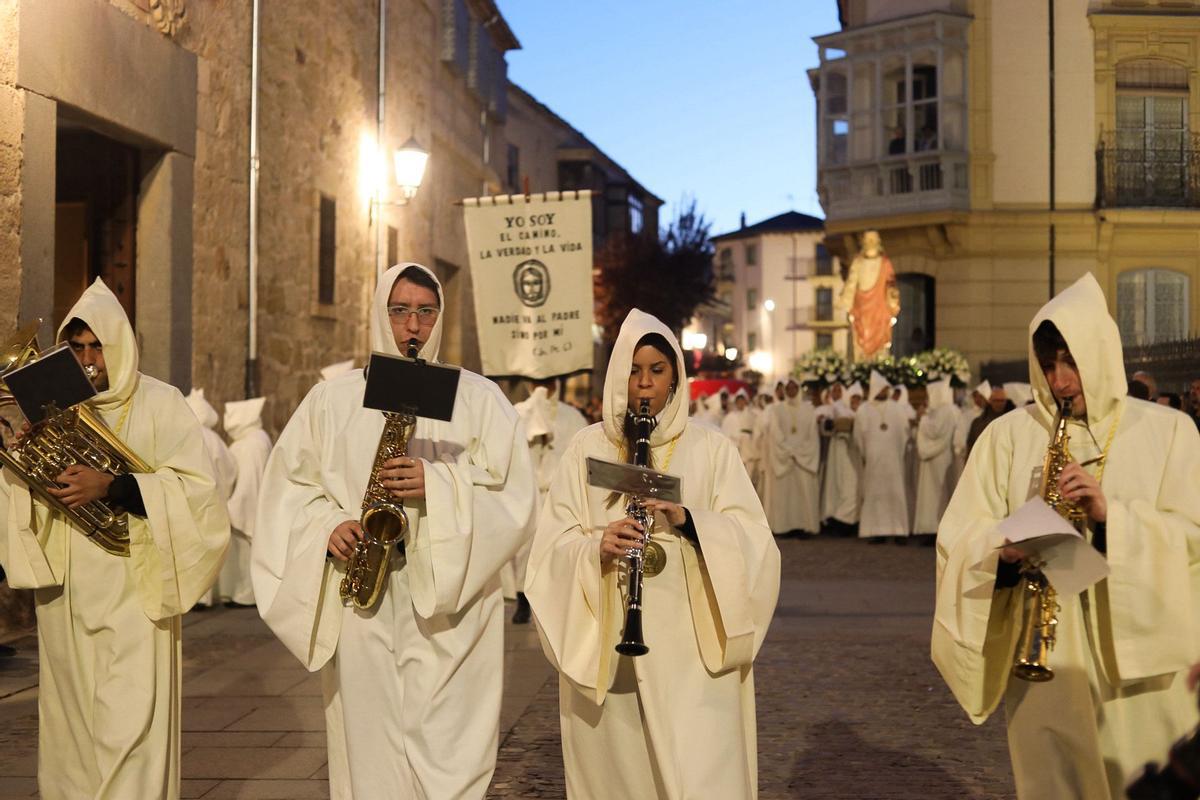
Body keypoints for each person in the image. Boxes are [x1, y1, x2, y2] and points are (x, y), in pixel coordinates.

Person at [251, 263, 536, 799]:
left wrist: (438, 484)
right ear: (381, 315)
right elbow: (289, 490)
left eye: (426, 312)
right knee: (370, 740)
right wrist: (326, 526)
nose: (413, 326)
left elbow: (515, 496)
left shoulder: (476, 398)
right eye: (400, 310)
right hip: (365, 597)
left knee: (449, 740)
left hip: (450, 601)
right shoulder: (331, 401)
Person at [932, 273, 1200, 799]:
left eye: (1070, 362)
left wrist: (1110, 517)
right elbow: (958, 535)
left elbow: (1193, 535)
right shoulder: (1007, 437)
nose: (1059, 382)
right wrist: (1001, 551)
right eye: (1048, 365)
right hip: (1045, 657)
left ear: (1099, 353)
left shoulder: (1170, 432)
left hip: (1141, 667)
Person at [524, 309, 780, 799]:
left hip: (692, 650)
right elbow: (552, 545)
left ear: (675, 378)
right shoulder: (588, 448)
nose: (644, 384)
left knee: (698, 770)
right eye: (634, 371)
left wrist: (690, 521)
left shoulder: (711, 449)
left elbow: (756, 543)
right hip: (609, 639)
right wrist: (595, 548)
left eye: (657, 371)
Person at [0, 278, 229, 799]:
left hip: (135, 586)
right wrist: (21, 463)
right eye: (77, 347)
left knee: (131, 719)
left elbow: (200, 493)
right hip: (67, 592)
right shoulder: (51, 408)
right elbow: (25, 498)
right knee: (72, 724)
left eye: (96, 346)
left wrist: (113, 485)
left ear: (119, 345)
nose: (87, 360)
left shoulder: (161, 403)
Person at [508, 378, 588, 624]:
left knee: (558, 549)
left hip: (558, 494)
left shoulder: (572, 416)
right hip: (528, 492)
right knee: (524, 550)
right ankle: (523, 600)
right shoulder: (518, 413)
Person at [186, 388, 237, 610]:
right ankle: (206, 596)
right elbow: (229, 469)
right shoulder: (215, 439)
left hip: (190, 501)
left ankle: (194, 596)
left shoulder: (187, 433)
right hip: (214, 500)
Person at [220, 396, 272, 607]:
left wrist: (232, 507)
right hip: (256, 506)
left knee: (243, 556)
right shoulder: (257, 438)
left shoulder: (249, 444)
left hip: (246, 507)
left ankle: (244, 595)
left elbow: (248, 483)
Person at [855, 371, 911, 544]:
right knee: (875, 494)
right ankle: (876, 531)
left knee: (895, 494)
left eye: (886, 388)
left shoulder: (897, 408)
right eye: (882, 388)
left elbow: (905, 431)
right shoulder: (863, 409)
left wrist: (897, 450)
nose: (884, 391)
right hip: (874, 460)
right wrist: (867, 453)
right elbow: (858, 436)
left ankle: (899, 531)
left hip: (893, 459)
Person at [761, 377, 821, 538]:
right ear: (785, 390)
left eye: (795, 388)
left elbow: (812, 435)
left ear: (799, 389)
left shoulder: (808, 410)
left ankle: (805, 527)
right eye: (789, 388)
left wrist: (799, 452)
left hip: (803, 459)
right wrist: (789, 451)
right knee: (785, 495)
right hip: (786, 458)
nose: (792, 391)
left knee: (804, 494)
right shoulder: (777, 409)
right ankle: (784, 527)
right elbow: (775, 434)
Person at [838, 230, 901, 359]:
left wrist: (892, 294)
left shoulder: (884, 263)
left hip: (879, 307)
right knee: (862, 336)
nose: (871, 242)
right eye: (868, 240)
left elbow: (890, 282)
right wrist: (846, 300)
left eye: (873, 239)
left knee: (881, 336)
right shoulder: (858, 262)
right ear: (864, 242)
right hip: (861, 307)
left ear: (878, 242)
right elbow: (851, 282)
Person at [912, 378, 957, 545]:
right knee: (933, 494)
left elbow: (935, 431)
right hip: (937, 459)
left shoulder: (945, 411)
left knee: (937, 494)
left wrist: (923, 419)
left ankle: (936, 530)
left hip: (939, 459)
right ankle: (931, 529)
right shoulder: (941, 410)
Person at [819, 382, 861, 536]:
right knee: (836, 484)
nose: (836, 392)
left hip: (852, 450)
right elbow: (825, 427)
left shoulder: (853, 409)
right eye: (834, 390)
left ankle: (849, 519)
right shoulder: (829, 409)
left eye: (839, 390)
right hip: (836, 449)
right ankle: (835, 518)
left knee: (851, 483)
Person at [966, 385, 1014, 456]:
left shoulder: (1012, 421)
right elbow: (970, 445)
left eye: (1002, 400)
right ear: (990, 401)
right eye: (996, 400)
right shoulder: (978, 422)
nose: (999, 403)